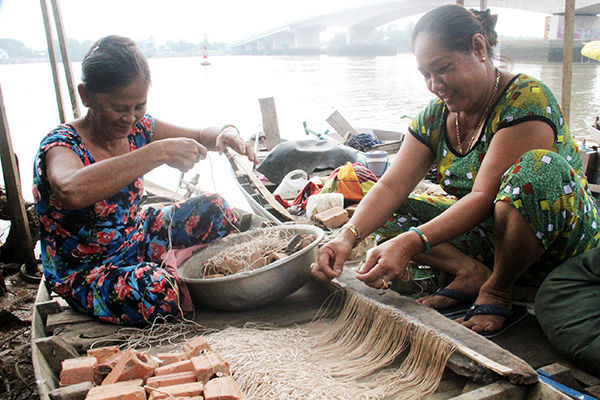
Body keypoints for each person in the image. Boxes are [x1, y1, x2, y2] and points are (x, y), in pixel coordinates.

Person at [312, 5, 600, 338]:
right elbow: (391, 187)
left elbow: (483, 196)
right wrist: (347, 236)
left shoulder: (527, 99)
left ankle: (498, 289)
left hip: (558, 242)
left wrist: (410, 243)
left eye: (442, 68)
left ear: (479, 48)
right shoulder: (436, 117)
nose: (435, 85)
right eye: (425, 74)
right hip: (491, 237)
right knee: (385, 206)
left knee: (538, 170)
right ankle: (471, 273)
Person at [32, 35, 258, 327]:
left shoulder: (142, 127)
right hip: (84, 270)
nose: (129, 118)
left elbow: (203, 134)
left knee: (217, 209)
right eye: (118, 107)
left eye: (138, 106)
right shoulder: (62, 143)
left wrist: (224, 133)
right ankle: (168, 274)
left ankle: (168, 269)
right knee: (158, 291)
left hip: (135, 236)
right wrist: (158, 152)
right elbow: (70, 190)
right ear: (85, 95)